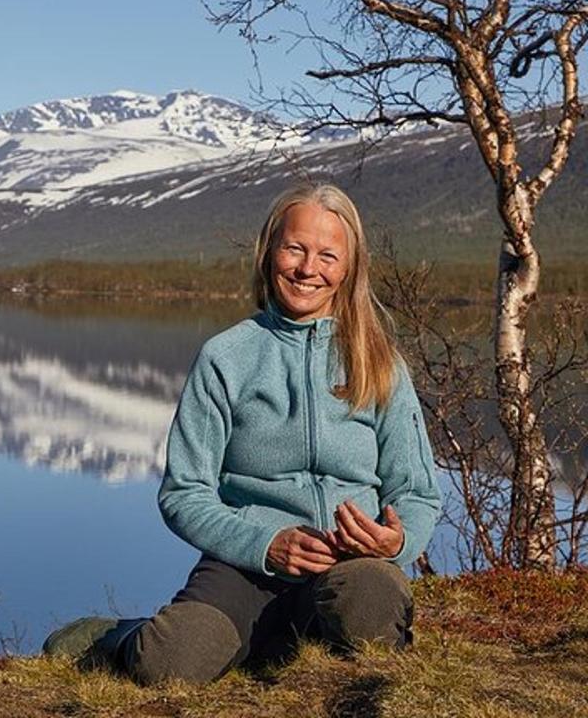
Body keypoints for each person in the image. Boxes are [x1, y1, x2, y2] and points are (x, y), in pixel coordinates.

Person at [43, 183, 442, 684]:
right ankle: (117, 637)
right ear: (269, 252)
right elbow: (184, 494)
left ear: (349, 268)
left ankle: (278, 638)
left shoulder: (380, 363)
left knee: (371, 608)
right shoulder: (225, 358)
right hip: (245, 567)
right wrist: (266, 542)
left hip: (351, 565)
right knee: (172, 663)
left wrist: (395, 541)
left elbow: (418, 491)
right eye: (294, 248)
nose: (307, 268)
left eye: (327, 255)